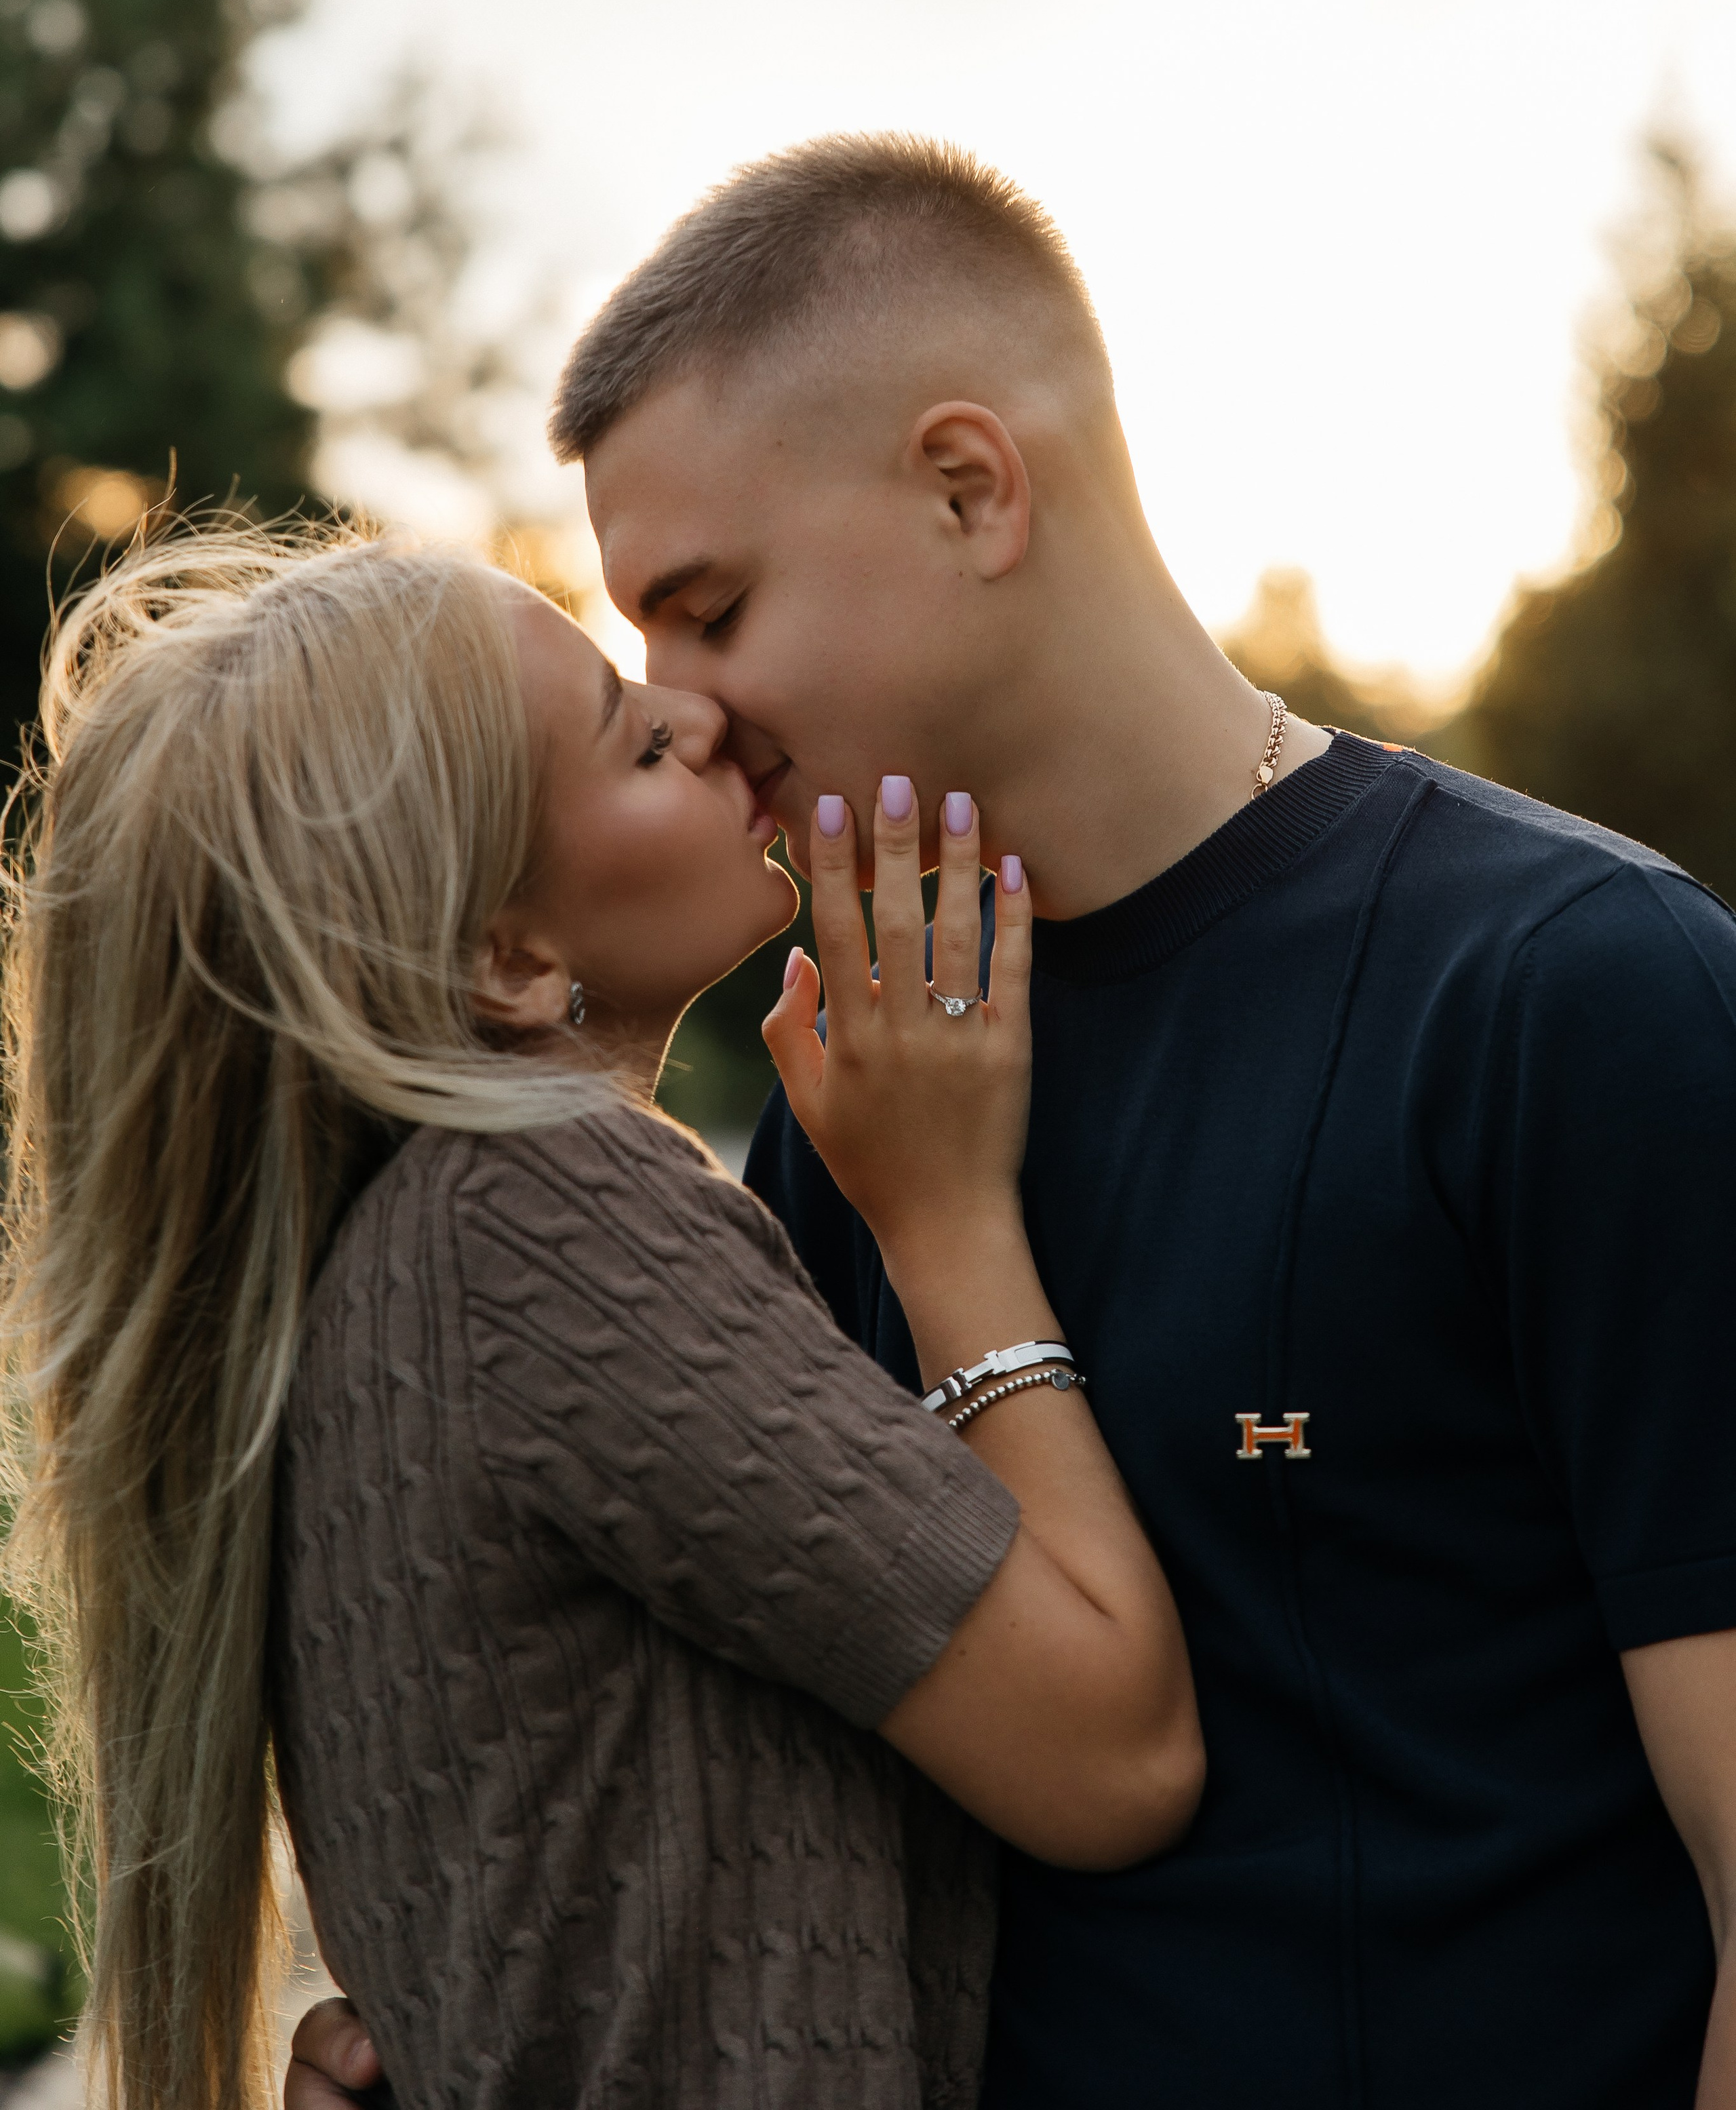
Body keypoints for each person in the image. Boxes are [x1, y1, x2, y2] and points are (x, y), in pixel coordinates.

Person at [293, 133, 1736, 2110]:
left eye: (708, 609)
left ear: (970, 489)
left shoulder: (1573, 994)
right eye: (644, 647)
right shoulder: (851, 1097)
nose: (685, 708)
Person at [2, 517, 1202, 2110]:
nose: (697, 715)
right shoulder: (538, 1225)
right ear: (508, 958)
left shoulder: (386, 1271)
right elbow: (1110, 1755)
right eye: (636, 742)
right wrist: (948, 1214)